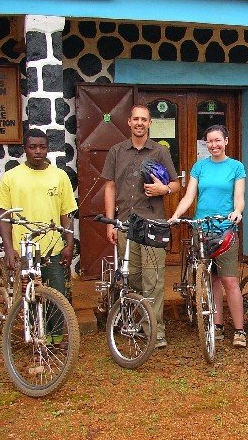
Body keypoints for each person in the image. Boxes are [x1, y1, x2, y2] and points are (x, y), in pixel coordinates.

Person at [101, 105, 180, 349]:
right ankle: (138, 317)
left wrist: (163, 189)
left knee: (154, 279)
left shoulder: (160, 151)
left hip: (153, 223)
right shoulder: (116, 151)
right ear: (129, 122)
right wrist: (110, 222)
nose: (139, 123)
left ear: (150, 123)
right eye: (135, 118)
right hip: (126, 222)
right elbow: (110, 187)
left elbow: (176, 184)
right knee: (132, 277)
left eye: (144, 119)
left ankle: (154, 332)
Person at [0, 128, 77, 345]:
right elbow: (3, 215)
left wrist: (69, 244)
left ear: (48, 149)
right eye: (33, 147)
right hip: (24, 248)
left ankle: (56, 338)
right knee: (28, 295)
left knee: (57, 293)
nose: (38, 151)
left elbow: (66, 213)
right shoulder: (11, 177)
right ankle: (36, 336)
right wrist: (9, 248)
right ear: (25, 149)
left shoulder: (60, 176)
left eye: (42, 147)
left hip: (53, 247)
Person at [169, 125, 247, 347]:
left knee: (230, 280)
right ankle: (218, 325)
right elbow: (188, 196)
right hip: (201, 229)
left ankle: (239, 330)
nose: (213, 145)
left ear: (226, 141)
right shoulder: (199, 167)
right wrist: (176, 215)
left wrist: (237, 212)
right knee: (211, 279)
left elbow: (239, 196)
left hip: (225, 229)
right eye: (209, 142)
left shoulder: (236, 167)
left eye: (217, 141)